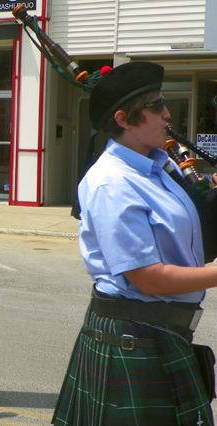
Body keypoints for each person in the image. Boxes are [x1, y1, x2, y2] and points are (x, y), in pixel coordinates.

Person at [52, 61, 216, 426]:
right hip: (132, 335)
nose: (167, 113)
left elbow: (189, 246)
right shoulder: (112, 183)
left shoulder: (157, 167)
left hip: (160, 333)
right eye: (156, 106)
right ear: (124, 119)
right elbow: (149, 278)